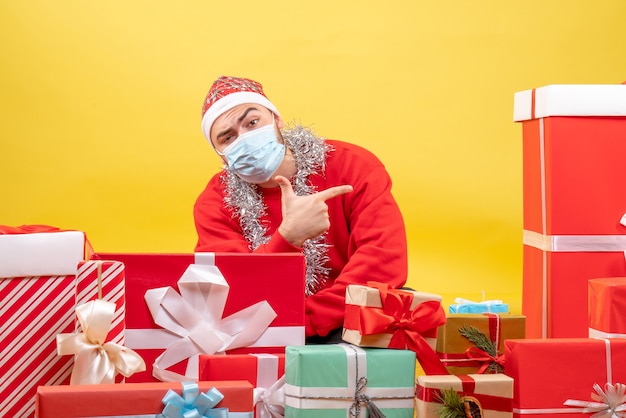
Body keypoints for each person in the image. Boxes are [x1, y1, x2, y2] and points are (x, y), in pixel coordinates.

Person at [194, 75, 408, 343]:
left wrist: (303, 321)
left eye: (252, 122)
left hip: (347, 319)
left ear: (276, 119)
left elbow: (382, 262)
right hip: (260, 329)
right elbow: (230, 290)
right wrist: (287, 238)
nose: (245, 138)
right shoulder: (215, 202)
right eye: (228, 137)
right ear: (220, 154)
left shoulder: (353, 165)